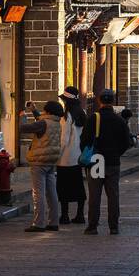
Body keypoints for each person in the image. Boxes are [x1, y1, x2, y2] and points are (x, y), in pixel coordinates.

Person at [79, 89, 132, 235]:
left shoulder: (93, 118)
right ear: (113, 102)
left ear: (99, 101)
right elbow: (126, 142)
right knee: (113, 195)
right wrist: (117, 153)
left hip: (96, 160)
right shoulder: (119, 120)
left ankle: (92, 226)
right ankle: (113, 226)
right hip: (113, 161)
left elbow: (84, 141)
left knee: (95, 195)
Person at [19, 101, 64, 233]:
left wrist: (22, 116)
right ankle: (54, 221)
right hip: (51, 161)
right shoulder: (56, 123)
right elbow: (41, 121)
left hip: (39, 161)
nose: (43, 113)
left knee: (38, 193)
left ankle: (39, 223)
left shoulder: (43, 123)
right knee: (52, 193)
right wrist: (34, 111)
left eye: (44, 111)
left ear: (48, 112)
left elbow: (24, 128)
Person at [57, 86, 87, 225]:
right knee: (78, 185)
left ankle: (64, 215)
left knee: (63, 187)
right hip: (78, 155)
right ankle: (80, 214)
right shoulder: (82, 113)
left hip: (66, 157)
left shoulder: (66, 116)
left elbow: (64, 139)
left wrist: (57, 155)